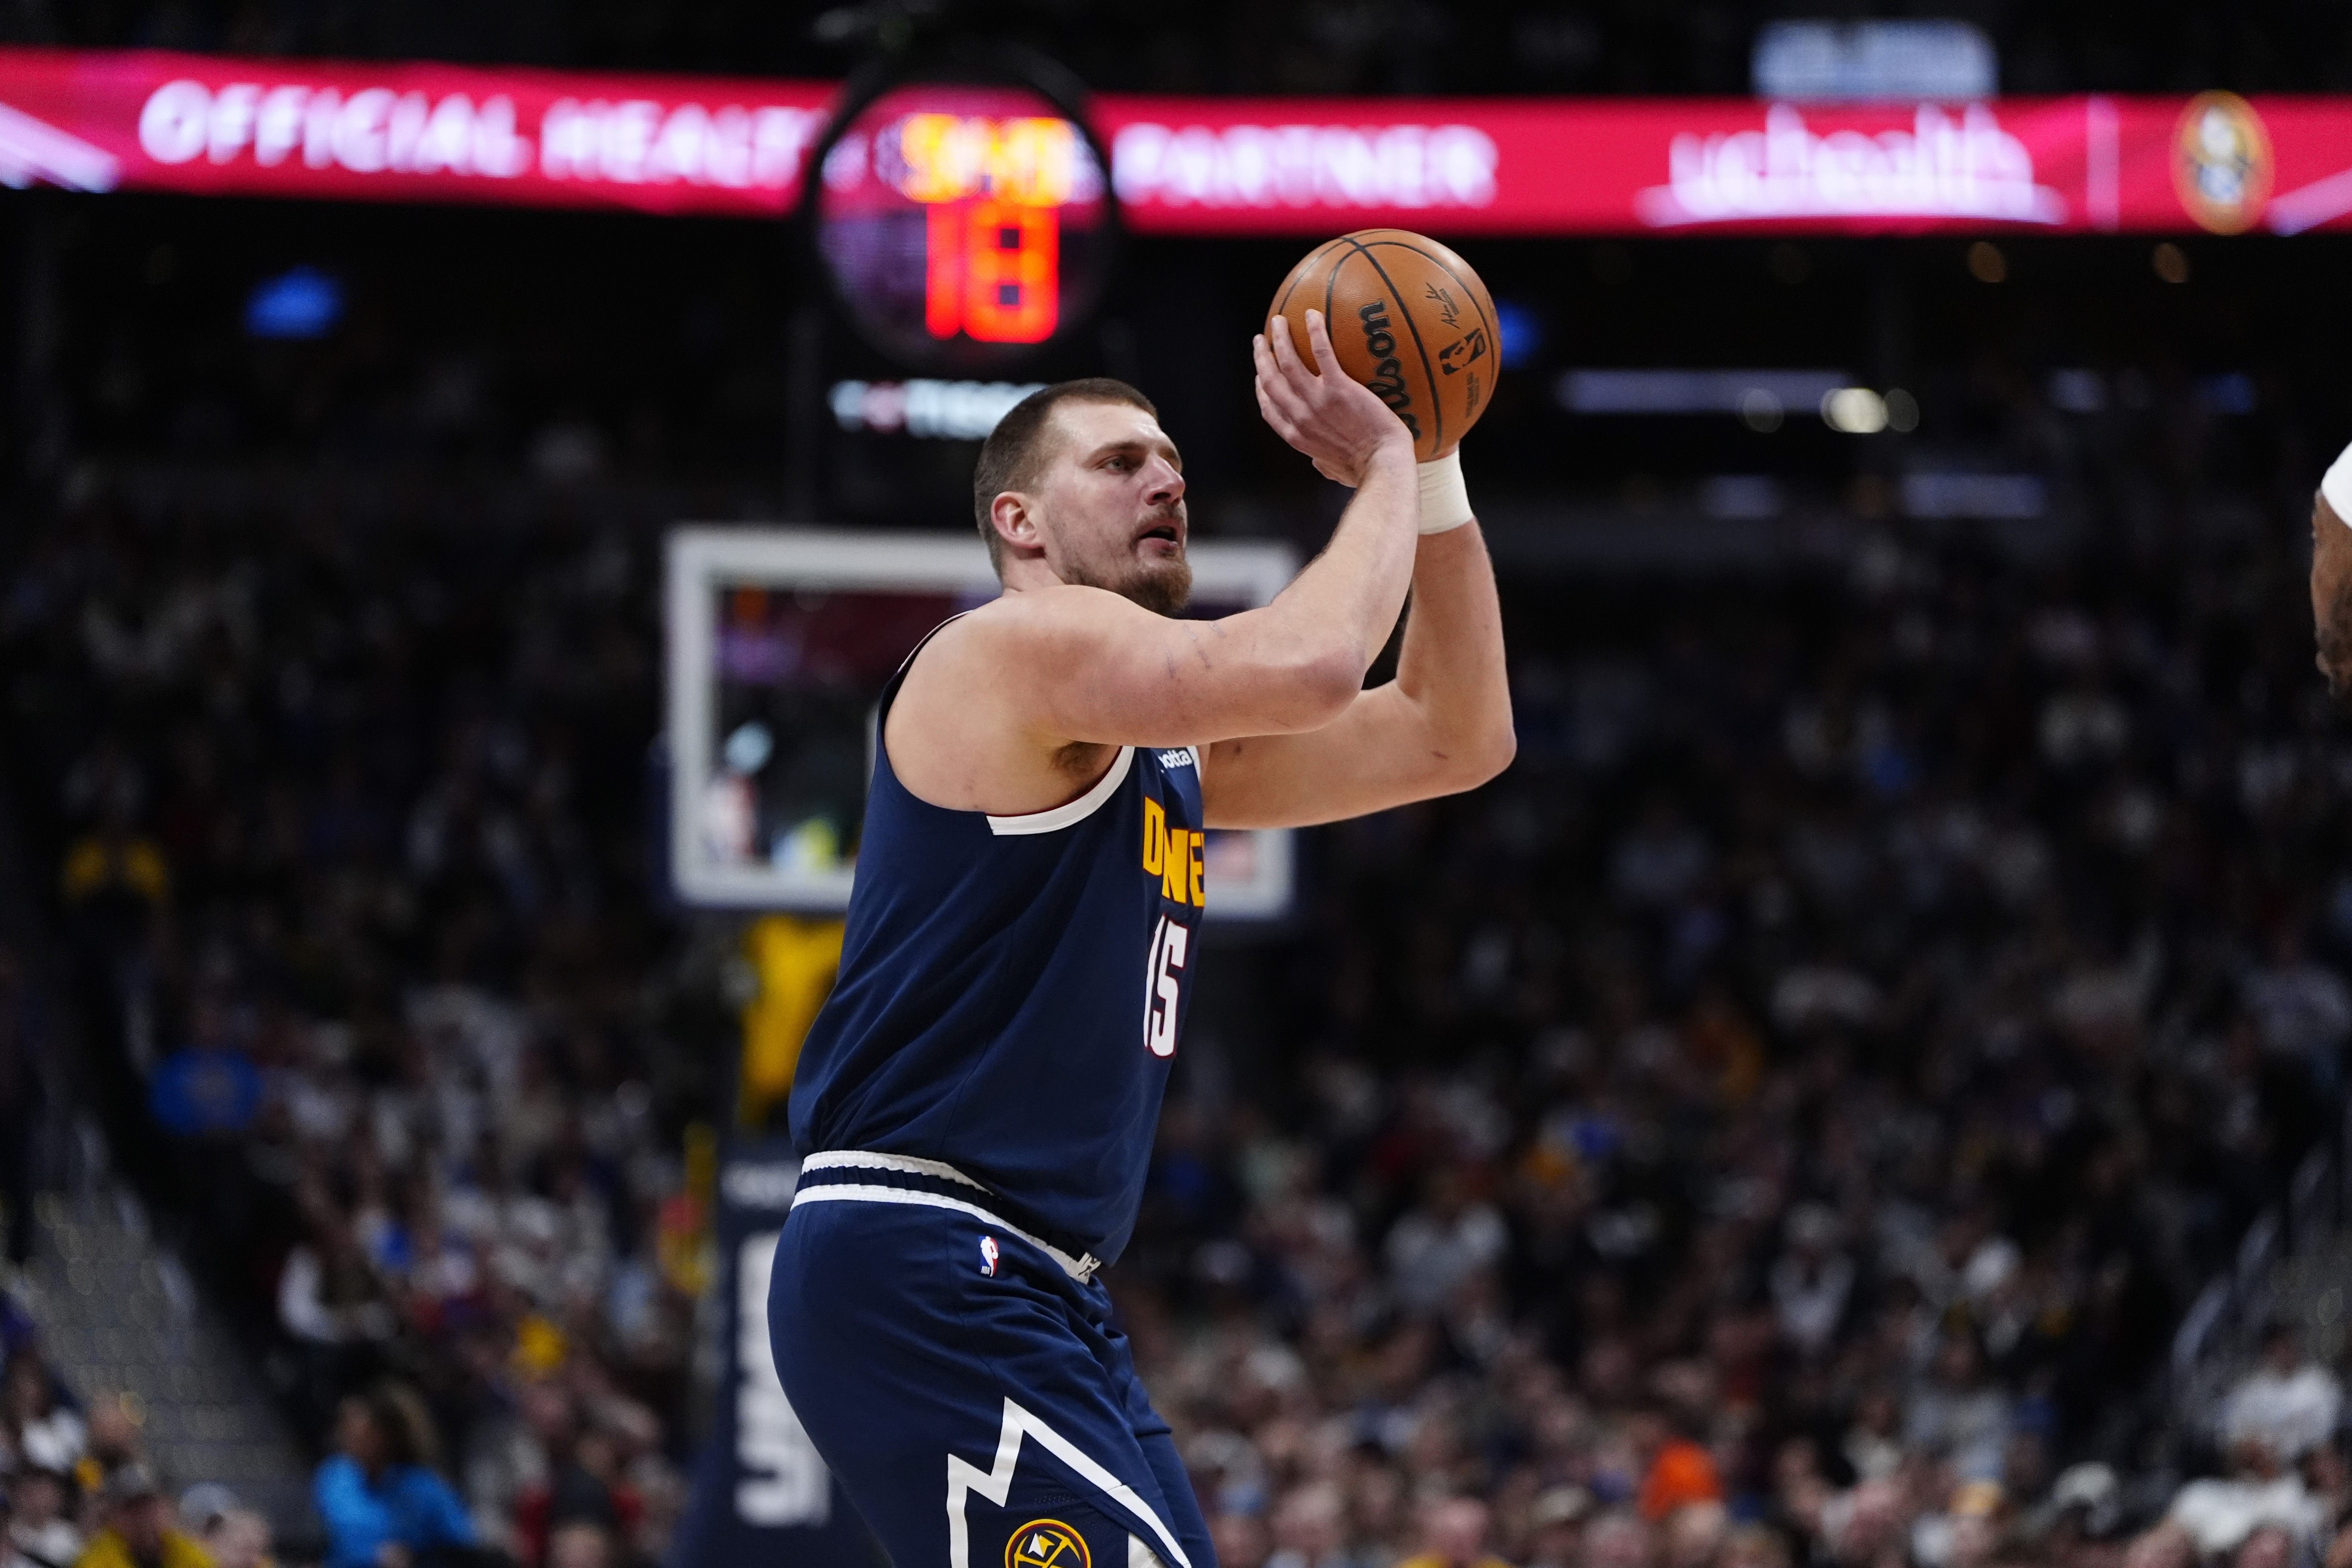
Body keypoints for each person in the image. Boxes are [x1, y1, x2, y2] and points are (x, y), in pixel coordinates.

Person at [771, 308, 1513, 1568]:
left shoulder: (1150, 746)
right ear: (1020, 521)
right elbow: (1322, 658)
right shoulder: (1012, 647)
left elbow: (1458, 733)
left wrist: (1437, 467)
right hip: (924, 1253)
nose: (1165, 476)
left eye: (1170, 458)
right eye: (1118, 463)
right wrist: (1385, 463)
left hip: (1037, 1281)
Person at [313, 1384, 476, 1568]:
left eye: (366, 1429)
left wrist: (416, 1557)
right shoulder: (336, 1477)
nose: (351, 1435)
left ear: (388, 1434)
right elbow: (332, 1539)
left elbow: (464, 1548)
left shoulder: (425, 1488)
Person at [72, 1465, 212, 1568]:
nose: (143, 1517)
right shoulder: (95, 1560)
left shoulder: (187, 1552)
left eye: (148, 1506)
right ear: (114, 1515)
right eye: (132, 1509)